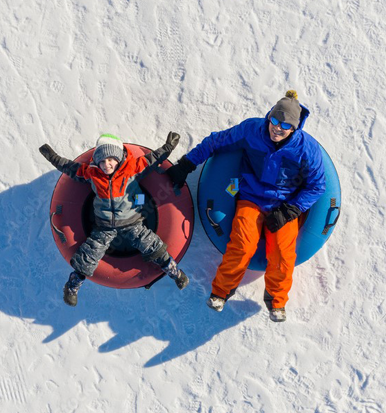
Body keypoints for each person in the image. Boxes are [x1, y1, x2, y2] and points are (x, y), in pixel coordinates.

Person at [167, 90, 325, 322]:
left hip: (284, 204)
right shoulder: (252, 130)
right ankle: (221, 292)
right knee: (242, 244)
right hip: (252, 198)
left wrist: (290, 210)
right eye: (274, 120)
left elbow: (318, 185)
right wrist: (187, 164)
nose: (277, 128)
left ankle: (276, 301)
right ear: (268, 116)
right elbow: (216, 141)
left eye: (284, 125)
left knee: (282, 252)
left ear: (294, 128)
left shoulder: (306, 149)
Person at [39, 133, 189, 307]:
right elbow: (70, 168)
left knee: (151, 244)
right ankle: (72, 287)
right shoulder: (92, 174)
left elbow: (153, 159)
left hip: (132, 222)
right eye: (102, 161)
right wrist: (52, 157)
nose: (106, 164)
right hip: (104, 227)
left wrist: (168, 147)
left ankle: (175, 273)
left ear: (118, 158)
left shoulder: (132, 169)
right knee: (90, 254)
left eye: (110, 159)